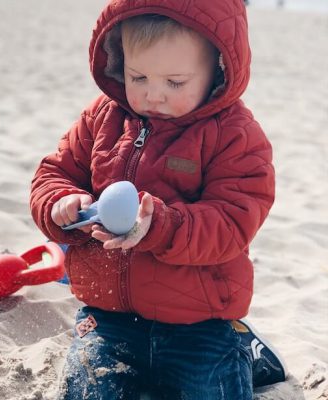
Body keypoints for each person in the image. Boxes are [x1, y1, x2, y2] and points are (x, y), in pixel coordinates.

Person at [30, 0, 286, 398]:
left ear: (218, 69)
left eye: (175, 83)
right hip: (109, 319)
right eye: (139, 76)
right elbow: (53, 173)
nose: (153, 95)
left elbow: (233, 220)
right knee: (88, 389)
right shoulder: (104, 117)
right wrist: (62, 203)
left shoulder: (233, 134)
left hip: (199, 322)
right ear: (119, 61)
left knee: (212, 388)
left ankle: (246, 351)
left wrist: (160, 227)